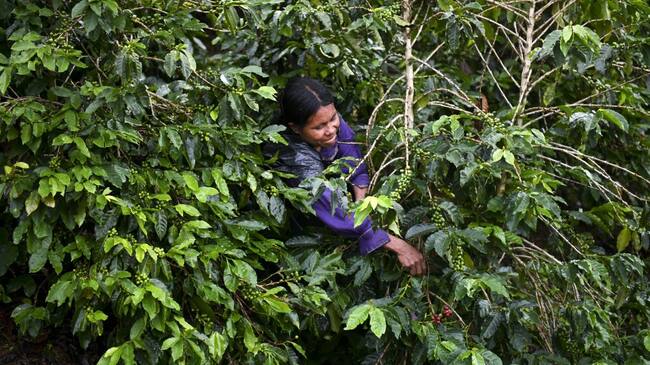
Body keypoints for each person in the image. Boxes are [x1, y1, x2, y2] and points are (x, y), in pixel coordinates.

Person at [264, 77, 426, 276]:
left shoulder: (327, 117)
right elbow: (335, 209)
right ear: (296, 128)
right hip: (299, 228)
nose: (331, 130)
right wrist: (396, 245)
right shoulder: (297, 159)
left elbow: (352, 157)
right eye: (319, 127)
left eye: (333, 119)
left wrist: (362, 203)